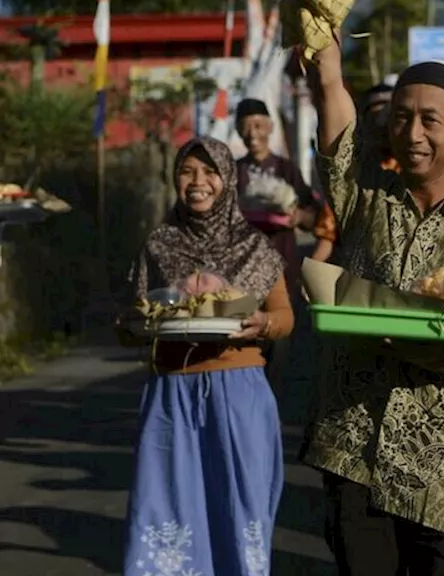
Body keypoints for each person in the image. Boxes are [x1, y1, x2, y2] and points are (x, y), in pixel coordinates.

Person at [302, 37, 444, 575]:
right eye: (401, 118)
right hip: (352, 451)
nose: (412, 134)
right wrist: (326, 62)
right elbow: (333, 109)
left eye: (430, 121)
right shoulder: (365, 198)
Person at [120, 137, 294, 576]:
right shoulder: (158, 245)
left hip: (239, 392)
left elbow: (285, 316)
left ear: (228, 179)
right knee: (165, 509)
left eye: (209, 171)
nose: (198, 182)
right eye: (186, 172)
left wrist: (263, 325)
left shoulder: (254, 246)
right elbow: (131, 319)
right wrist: (135, 327)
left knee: (239, 505)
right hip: (170, 394)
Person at [234, 97, 320, 296]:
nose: (252, 133)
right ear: (238, 131)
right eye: (245, 127)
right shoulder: (234, 171)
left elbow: (315, 216)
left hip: (282, 261)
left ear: (270, 127)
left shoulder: (286, 169)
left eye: (258, 125)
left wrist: (299, 217)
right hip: (243, 265)